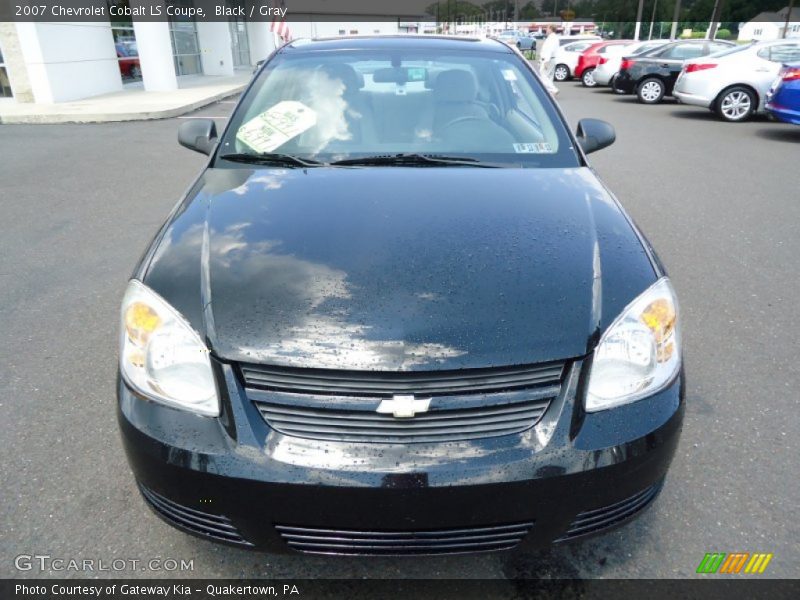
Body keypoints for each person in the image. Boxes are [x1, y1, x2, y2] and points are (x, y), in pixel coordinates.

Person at [538, 25, 560, 96]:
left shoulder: (551, 38)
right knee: (549, 76)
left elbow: (549, 50)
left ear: (550, 29)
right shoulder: (554, 37)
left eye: (547, 28)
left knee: (543, 75)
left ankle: (553, 89)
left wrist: (546, 61)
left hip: (548, 59)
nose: (546, 30)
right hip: (552, 59)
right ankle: (549, 92)